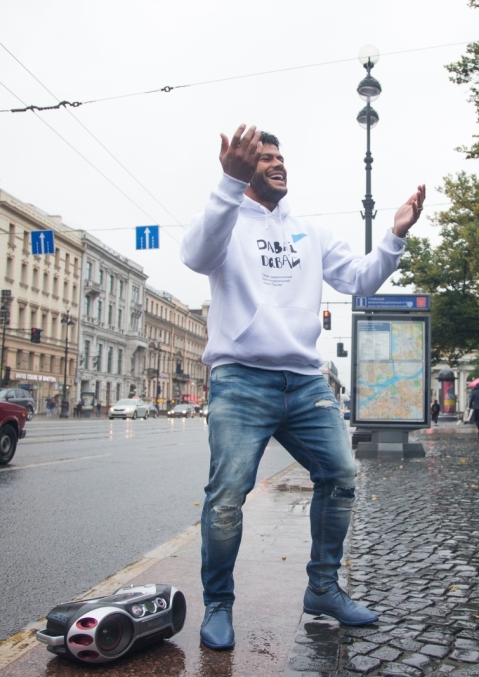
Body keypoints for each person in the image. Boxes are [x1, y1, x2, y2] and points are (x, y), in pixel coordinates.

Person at [180, 124, 425, 649]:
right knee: (227, 496)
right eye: (263, 158)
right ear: (244, 171)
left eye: (279, 157)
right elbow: (196, 256)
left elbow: (360, 279)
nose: (276, 164)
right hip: (241, 378)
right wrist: (226, 183)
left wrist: (395, 235)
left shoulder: (308, 233)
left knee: (340, 472)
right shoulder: (225, 222)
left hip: (305, 379)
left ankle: (322, 588)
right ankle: (219, 604)